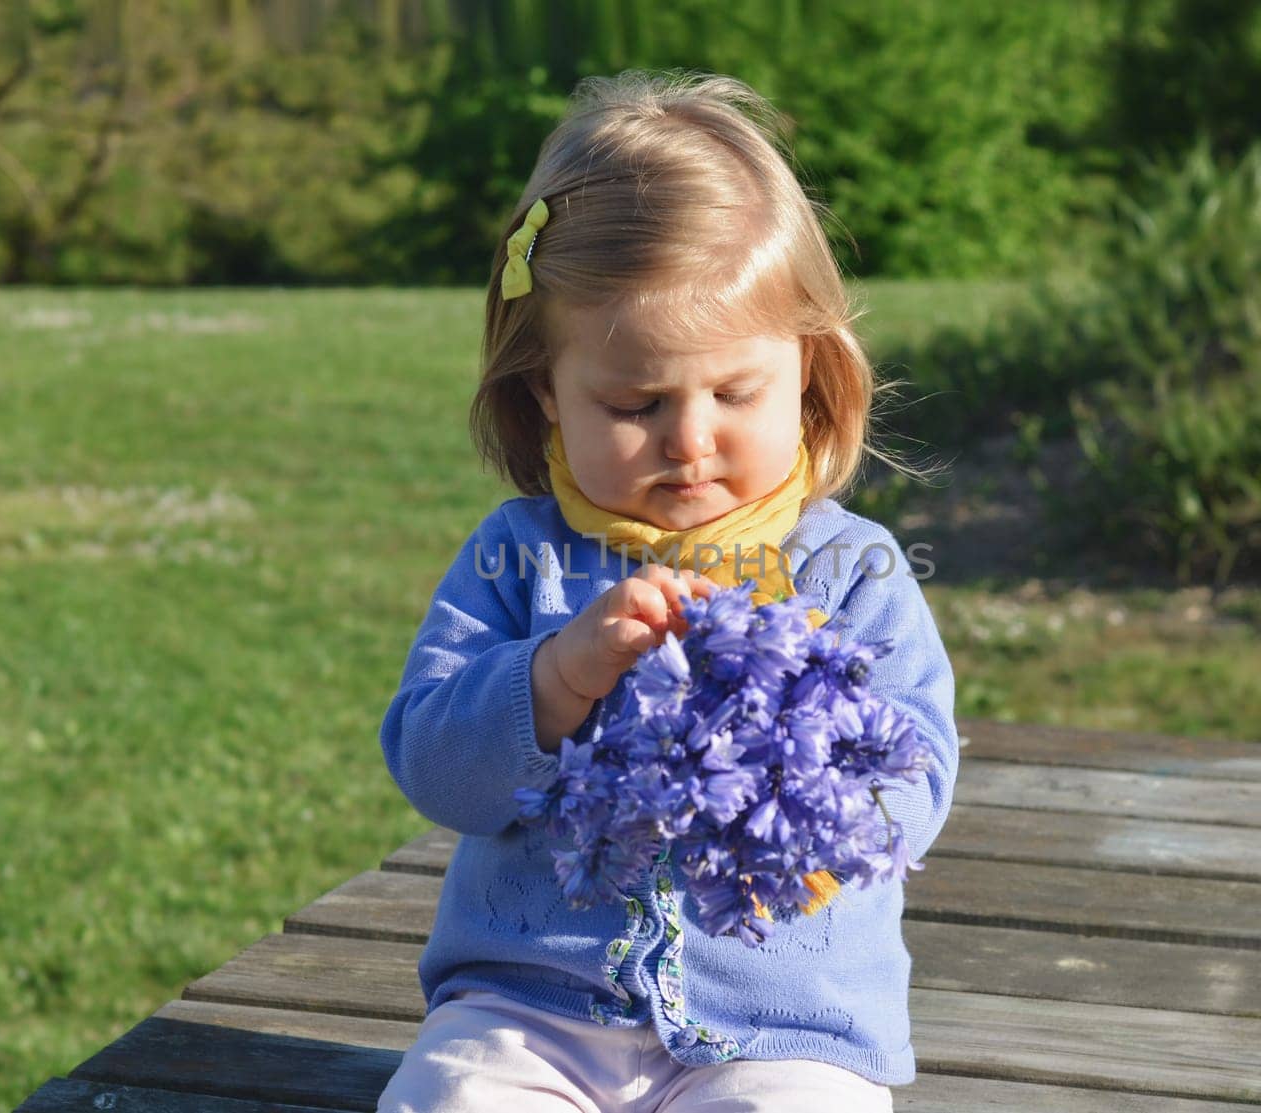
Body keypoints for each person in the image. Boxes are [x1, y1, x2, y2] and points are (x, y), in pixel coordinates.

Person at [376, 69, 958, 1113]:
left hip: (788, 1027)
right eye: (634, 403)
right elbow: (431, 763)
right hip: (528, 1012)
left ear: (810, 373)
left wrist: (812, 788)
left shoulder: (851, 569)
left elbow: (916, 770)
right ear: (543, 396)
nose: (690, 443)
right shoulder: (523, 558)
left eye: (736, 393)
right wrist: (553, 679)